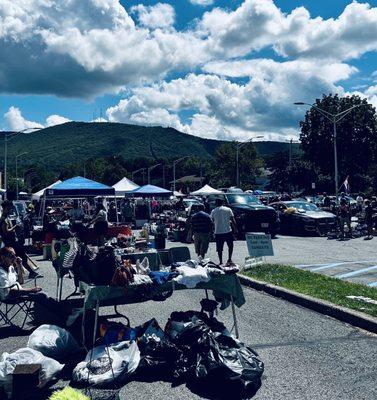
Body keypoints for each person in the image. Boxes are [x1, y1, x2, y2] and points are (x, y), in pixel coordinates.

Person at [1, 201, 42, 279]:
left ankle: (29, 273)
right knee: (21, 258)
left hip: (12, 242)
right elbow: (6, 231)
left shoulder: (6, 217)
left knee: (19, 258)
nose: (11, 209)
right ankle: (30, 273)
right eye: (10, 207)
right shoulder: (3, 219)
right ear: (6, 207)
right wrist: (15, 226)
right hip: (11, 243)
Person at [210, 198, 237, 265]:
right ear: (223, 203)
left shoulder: (213, 211)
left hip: (218, 232)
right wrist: (235, 228)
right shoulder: (228, 209)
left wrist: (212, 231)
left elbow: (212, 222)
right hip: (228, 231)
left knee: (219, 248)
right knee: (230, 246)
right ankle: (229, 259)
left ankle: (221, 261)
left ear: (216, 203)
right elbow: (233, 220)